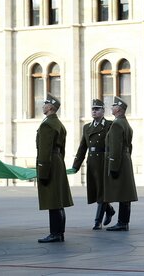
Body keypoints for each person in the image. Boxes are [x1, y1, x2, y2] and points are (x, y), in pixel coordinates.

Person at [71, 99, 115, 229]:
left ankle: (97, 221)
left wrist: (113, 161)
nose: (94, 111)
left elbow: (114, 144)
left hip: (103, 161)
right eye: (93, 109)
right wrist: (76, 165)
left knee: (102, 191)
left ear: (103, 111)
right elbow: (82, 147)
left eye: (97, 109)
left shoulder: (109, 125)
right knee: (96, 191)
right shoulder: (87, 127)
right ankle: (110, 210)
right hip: (92, 162)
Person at [36, 93, 73, 243]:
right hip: (57, 161)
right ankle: (59, 232)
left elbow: (44, 150)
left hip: (49, 162)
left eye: (45, 104)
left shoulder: (47, 124)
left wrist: (42, 171)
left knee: (53, 200)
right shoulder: (59, 124)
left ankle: (55, 233)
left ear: (50, 107)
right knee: (58, 200)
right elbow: (62, 148)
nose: (43, 106)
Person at [103, 96, 137, 231]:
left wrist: (113, 165)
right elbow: (130, 146)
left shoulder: (117, 124)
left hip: (119, 160)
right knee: (125, 193)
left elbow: (115, 147)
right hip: (126, 159)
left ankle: (122, 223)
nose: (111, 108)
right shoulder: (125, 123)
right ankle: (123, 221)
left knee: (123, 194)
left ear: (118, 109)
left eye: (113, 106)